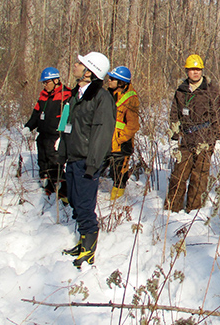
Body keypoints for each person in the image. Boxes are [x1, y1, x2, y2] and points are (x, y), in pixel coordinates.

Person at [60, 52, 116, 268]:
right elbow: (68, 127)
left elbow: (102, 135)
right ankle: (82, 241)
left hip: (87, 161)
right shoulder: (76, 96)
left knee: (84, 205)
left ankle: (89, 249)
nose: (74, 65)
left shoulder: (101, 98)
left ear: (89, 72)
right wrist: (62, 153)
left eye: (79, 64)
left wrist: (93, 165)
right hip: (73, 158)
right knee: (74, 201)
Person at [165, 54, 220, 213]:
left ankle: (193, 210)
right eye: (192, 69)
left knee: (199, 178)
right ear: (186, 71)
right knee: (178, 175)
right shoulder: (181, 90)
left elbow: (218, 115)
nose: (195, 72)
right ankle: (172, 209)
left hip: (205, 138)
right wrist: (173, 136)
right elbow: (174, 114)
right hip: (186, 139)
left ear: (202, 70)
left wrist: (218, 139)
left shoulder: (211, 90)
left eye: (198, 69)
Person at [24, 67, 72, 200]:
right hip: (43, 135)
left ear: (56, 80)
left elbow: (68, 117)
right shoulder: (43, 96)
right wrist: (29, 127)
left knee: (55, 161)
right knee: (43, 160)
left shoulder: (66, 95)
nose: (45, 85)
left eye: (47, 82)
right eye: (44, 83)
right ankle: (48, 186)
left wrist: (62, 135)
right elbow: (36, 114)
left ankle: (63, 190)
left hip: (55, 136)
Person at [105, 66, 140, 200]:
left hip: (122, 143)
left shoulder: (131, 98)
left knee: (119, 173)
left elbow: (133, 125)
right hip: (108, 139)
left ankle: (117, 200)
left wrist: (119, 139)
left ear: (121, 82)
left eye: (112, 79)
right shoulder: (109, 94)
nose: (109, 81)